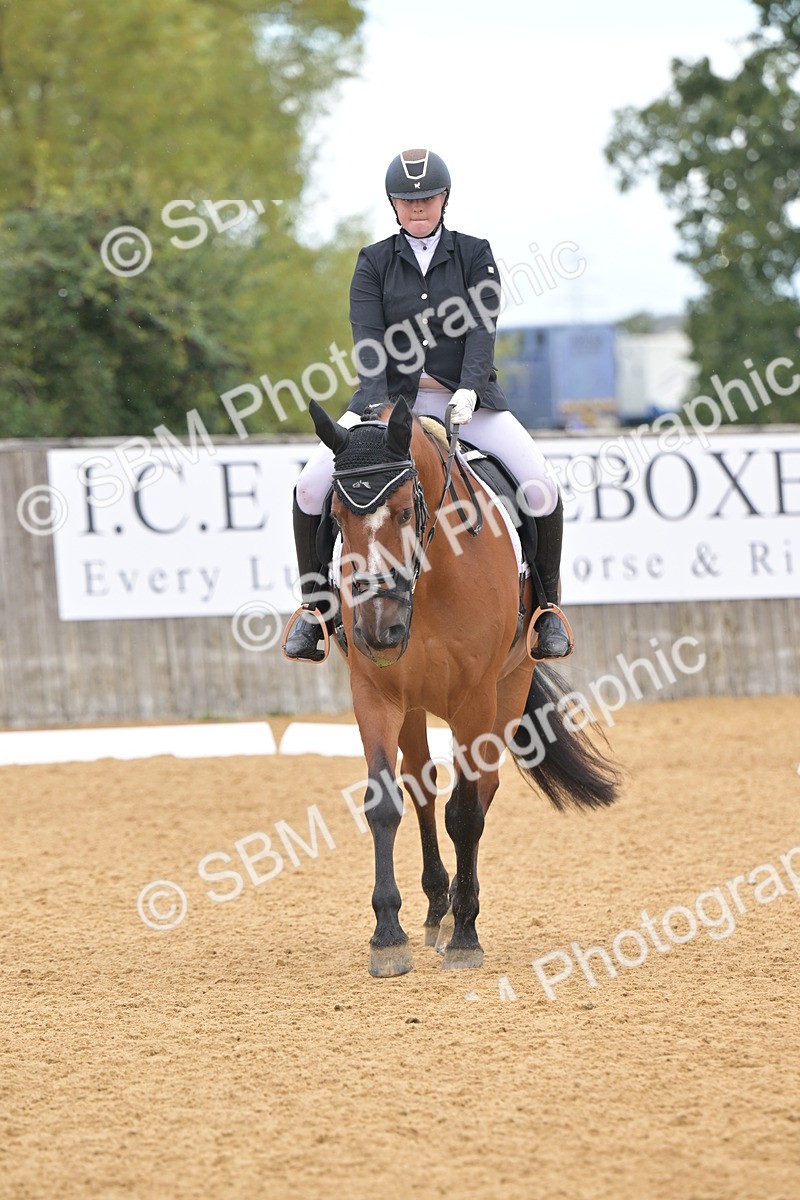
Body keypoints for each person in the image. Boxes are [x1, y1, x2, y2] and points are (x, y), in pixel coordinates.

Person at [284, 147, 571, 662]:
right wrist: (378, 409)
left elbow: (482, 330)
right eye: (407, 199)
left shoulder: (473, 252)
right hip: (387, 404)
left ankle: (547, 609)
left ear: (444, 199)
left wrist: (471, 385)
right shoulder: (373, 261)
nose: (418, 207)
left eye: (427, 197)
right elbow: (368, 341)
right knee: (310, 485)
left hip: (466, 401)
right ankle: (315, 612)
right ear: (393, 204)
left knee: (540, 486)